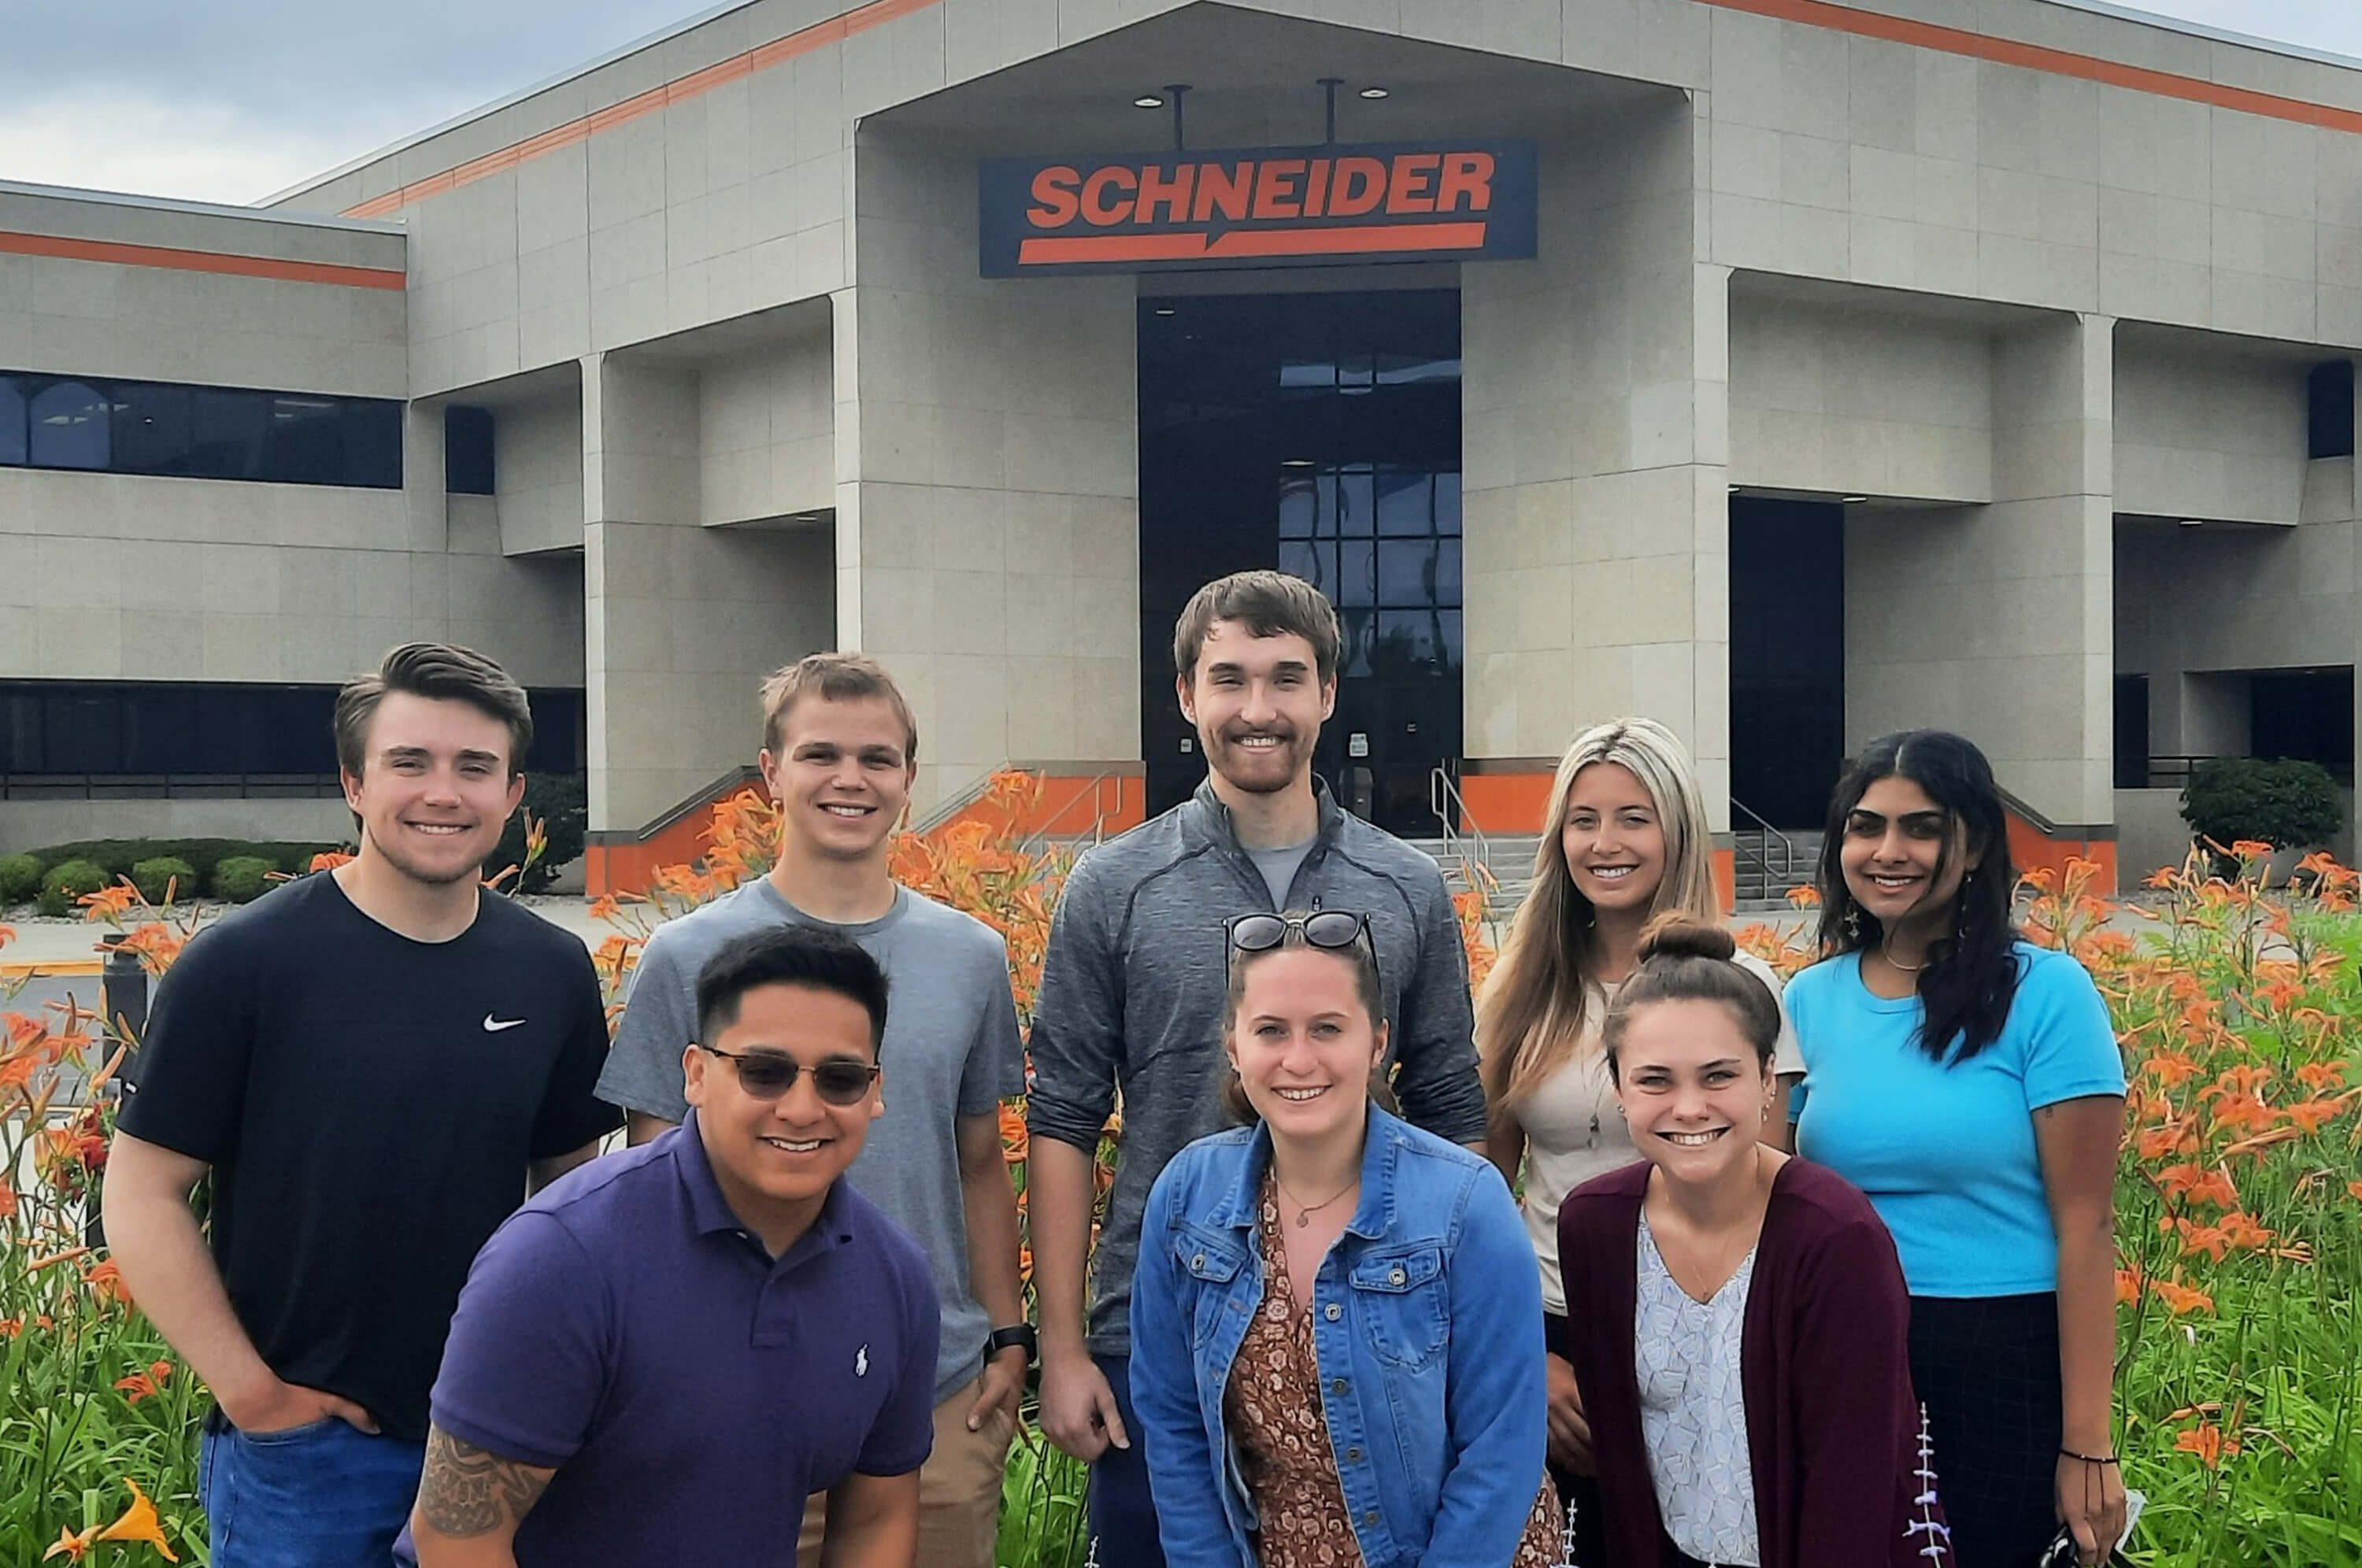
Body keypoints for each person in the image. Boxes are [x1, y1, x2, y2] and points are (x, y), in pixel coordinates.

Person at [102, 643, 618, 1568]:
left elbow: (568, 1190)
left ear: (512, 793)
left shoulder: (551, 968)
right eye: (409, 763)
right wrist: (255, 1396)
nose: (443, 793)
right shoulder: (245, 966)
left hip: (499, 1430)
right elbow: (140, 1192)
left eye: (474, 768)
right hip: (306, 1450)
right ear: (352, 782)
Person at [1027, 570, 1489, 1567]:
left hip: (1375, 1314)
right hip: (1159, 1326)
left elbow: (1452, 1104)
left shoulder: (1405, 887)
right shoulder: (1114, 887)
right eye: (1228, 679)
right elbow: (1061, 1116)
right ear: (1187, 697)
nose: (1257, 709)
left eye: (1287, 678)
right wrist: (1062, 1351)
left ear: (1328, 694)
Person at [592, 652, 1027, 1568]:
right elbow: (651, 1178)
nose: (849, 779)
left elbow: (980, 1157)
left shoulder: (971, 956)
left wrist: (1008, 1335)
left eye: (877, 759)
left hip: (931, 1394)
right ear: (772, 772)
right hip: (729, 1391)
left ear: (909, 780)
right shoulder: (688, 954)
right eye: (821, 753)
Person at [402, 925, 939, 1566]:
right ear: (695, 1074)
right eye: (763, 1073)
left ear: (875, 1093)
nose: (802, 1108)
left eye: (840, 1078)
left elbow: (875, 1520)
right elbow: (456, 1541)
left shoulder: (893, 1279)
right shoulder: (562, 1259)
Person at [1787, 731, 2127, 1568]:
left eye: (1921, 828)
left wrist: (2088, 1442)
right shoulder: (1807, 998)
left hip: (2000, 1353)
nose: (1888, 852)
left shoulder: (2047, 993)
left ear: (1973, 845)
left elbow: (2086, 1226)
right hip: (1846, 1340)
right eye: (1866, 828)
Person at [1130, 909, 1560, 1567]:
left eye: (1328, 1029)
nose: (1298, 1059)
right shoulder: (1188, 1198)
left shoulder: (1466, 1206)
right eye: (1271, 1030)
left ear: (1378, 1041)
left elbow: (1502, 1449)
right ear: (1233, 1045)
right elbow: (1173, 1423)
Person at [1477, 717, 1802, 1555]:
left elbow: (1769, 1194)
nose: (1605, 843)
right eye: (1583, 820)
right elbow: (1476, 1197)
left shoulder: (1742, 985)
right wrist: (1524, 1361)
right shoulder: (1519, 989)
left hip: (1696, 1320)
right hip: (1548, 1325)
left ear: (1678, 831)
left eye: (1634, 817)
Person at [1557, 917, 1949, 1568]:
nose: (1688, 1108)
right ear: (1619, 1088)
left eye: (1718, 1077)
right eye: (1655, 1080)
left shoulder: (1835, 1237)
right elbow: (1621, 1464)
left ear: (1769, 1078)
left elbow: (1853, 1481)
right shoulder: (1594, 1228)